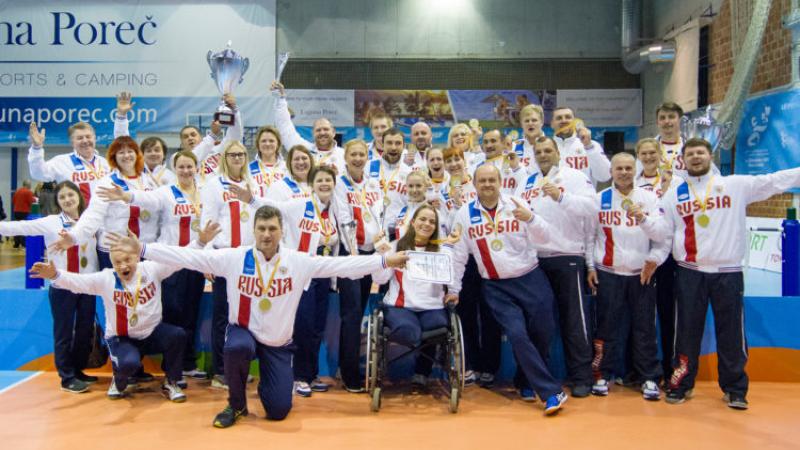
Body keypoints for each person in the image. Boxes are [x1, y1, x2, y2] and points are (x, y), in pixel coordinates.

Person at [107, 205, 409, 427]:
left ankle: (271, 386)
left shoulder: (298, 261)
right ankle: (236, 404)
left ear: (281, 231)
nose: (266, 234)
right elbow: (188, 257)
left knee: (277, 411)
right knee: (237, 347)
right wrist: (144, 248)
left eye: (272, 229)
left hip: (278, 342)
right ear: (254, 231)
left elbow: (342, 267)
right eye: (261, 229)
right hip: (244, 332)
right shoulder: (234, 257)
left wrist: (384, 259)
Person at [661, 137, 800, 409]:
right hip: (690, 271)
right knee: (686, 331)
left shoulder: (736, 185)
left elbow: (774, 180)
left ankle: (735, 389)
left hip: (728, 272)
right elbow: (665, 231)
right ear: (683, 160)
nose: (696, 158)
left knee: (732, 333)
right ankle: (681, 384)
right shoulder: (674, 193)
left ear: (710, 156)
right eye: (690, 154)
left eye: (700, 152)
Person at [29, 223, 216, 402]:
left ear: (136, 257)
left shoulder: (152, 269)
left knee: (177, 335)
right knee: (129, 363)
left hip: (151, 333)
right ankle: (118, 382)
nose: (124, 266)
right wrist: (55, 275)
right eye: (118, 262)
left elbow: (178, 259)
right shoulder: (106, 279)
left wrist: (199, 242)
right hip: (122, 338)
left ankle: (171, 382)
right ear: (112, 263)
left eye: (128, 260)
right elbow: (78, 282)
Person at [448, 164, 567, 415]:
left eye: (492, 180)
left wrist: (532, 219)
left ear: (500, 181)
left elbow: (546, 237)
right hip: (495, 286)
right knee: (517, 334)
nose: (488, 184)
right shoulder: (464, 214)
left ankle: (525, 380)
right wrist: (454, 288)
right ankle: (550, 392)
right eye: (482, 181)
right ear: (475, 184)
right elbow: (459, 257)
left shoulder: (516, 203)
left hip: (530, 277)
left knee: (543, 331)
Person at [97, 150, 210, 384]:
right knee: (171, 313)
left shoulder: (205, 193)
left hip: (195, 259)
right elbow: (146, 199)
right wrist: (125, 196)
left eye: (190, 166)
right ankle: (167, 368)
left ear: (196, 168)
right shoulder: (166, 192)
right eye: (181, 167)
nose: (186, 171)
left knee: (191, 315)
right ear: (174, 169)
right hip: (169, 260)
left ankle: (186, 364)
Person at [232, 166, 340, 396]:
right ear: (312, 184)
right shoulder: (300, 205)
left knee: (317, 328)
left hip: (324, 273)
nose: (324, 184)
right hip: (302, 273)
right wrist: (251, 199)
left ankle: (311, 374)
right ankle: (299, 377)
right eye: (320, 180)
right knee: (303, 325)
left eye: (328, 181)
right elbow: (275, 209)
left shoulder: (335, 209)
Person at [516, 135, 596, 398]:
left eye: (548, 150)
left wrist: (562, 197)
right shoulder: (527, 180)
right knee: (539, 322)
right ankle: (537, 378)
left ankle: (582, 377)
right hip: (535, 259)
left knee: (574, 320)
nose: (543, 154)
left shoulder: (574, 176)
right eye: (539, 151)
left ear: (558, 153)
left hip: (567, 255)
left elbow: (592, 208)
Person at [586, 153, 670, 400]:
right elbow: (590, 237)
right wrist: (590, 267)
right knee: (606, 327)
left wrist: (652, 261)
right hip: (608, 273)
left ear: (636, 169)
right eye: (619, 168)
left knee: (644, 328)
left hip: (640, 275)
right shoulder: (598, 200)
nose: (623, 172)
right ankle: (601, 375)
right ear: (610, 171)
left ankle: (649, 378)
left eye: (628, 168)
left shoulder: (650, 198)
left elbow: (662, 235)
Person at [1, 181, 98, 393]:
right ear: (58, 202)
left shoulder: (90, 222)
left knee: (84, 331)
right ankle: (67, 377)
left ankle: (79, 369)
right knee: (63, 332)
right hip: (62, 284)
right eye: (62, 197)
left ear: (79, 197)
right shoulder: (51, 222)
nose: (67, 200)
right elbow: (18, 227)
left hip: (87, 286)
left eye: (70, 195)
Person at [372, 204, 459, 388]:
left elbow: (452, 276)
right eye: (422, 219)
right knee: (409, 331)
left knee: (438, 327)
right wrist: (381, 254)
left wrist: (453, 292)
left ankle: (422, 372)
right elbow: (379, 278)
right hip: (400, 306)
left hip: (432, 306)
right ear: (412, 222)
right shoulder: (395, 246)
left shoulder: (442, 251)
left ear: (436, 227)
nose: (427, 224)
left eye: (432, 221)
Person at [200, 140, 258, 389]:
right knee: (222, 316)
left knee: (245, 315)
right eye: (233, 154)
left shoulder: (252, 182)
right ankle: (221, 372)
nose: (237, 158)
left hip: (248, 260)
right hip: (223, 258)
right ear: (224, 158)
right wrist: (206, 258)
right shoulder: (214, 185)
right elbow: (207, 222)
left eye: (241, 154)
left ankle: (240, 368)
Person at [440, 146, 500, 387]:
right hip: (460, 259)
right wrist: (453, 205)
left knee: (490, 313)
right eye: (449, 160)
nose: (454, 164)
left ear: (465, 161)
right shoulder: (442, 191)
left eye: (457, 159)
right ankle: (471, 364)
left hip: (485, 255)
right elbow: (448, 227)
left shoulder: (477, 185)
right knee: (465, 314)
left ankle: (490, 366)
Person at [50, 136, 158, 269]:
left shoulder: (150, 181)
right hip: (115, 250)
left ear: (137, 154)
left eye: (130, 151)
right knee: (117, 289)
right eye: (121, 152)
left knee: (146, 289)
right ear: (114, 157)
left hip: (145, 248)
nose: (126, 155)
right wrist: (74, 236)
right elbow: (93, 215)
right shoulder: (107, 182)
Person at [333, 139, 385, 392]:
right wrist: (355, 256)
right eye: (353, 154)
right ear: (345, 158)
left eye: (361, 154)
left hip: (370, 254)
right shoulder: (340, 185)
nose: (357, 158)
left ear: (367, 157)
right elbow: (344, 220)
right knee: (352, 314)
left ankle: (351, 367)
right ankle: (349, 372)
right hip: (350, 256)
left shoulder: (374, 183)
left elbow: (379, 216)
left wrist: (379, 246)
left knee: (361, 311)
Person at [635, 137, 682, 385]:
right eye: (644, 153)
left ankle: (669, 368)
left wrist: (666, 194)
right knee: (643, 317)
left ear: (660, 154)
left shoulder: (676, 182)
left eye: (653, 153)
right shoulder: (633, 183)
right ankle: (641, 370)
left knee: (667, 314)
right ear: (638, 156)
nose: (649, 157)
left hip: (670, 257)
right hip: (643, 255)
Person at [271, 81, 345, 173]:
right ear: (313, 133)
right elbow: (285, 128)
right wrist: (281, 99)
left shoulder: (344, 155)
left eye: (326, 129)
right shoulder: (304, 150)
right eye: (318, 130)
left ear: (334, 132)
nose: (322, 133)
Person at [28, 121, 110, 203]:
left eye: (88, 137)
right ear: (72, 143)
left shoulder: (105, 163)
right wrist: (36, 148)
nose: (85, 141)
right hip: (75, 215)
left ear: (95, 138)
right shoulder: (61, 162)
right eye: (80, 138)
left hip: (104, 215)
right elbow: (38, 174)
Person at [113, 92, 176, 187]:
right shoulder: (133, 171)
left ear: (164, 155)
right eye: (148, 151)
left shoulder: (172, 177)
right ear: (141, 155)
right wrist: (121, 115)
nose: (153, 153)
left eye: (157, 150)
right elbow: (122, 141)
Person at [550, 106, 611, 187]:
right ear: (552, 124)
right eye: (559, 118)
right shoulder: (544, 148)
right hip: (553, 198)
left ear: (574, 121)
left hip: (584, 197)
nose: (564, 120)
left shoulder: (591, 145)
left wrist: (588, 146)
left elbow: (605, 176)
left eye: (568, 117)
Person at [249, 126, 287, 198]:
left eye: (271, 141)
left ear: (278, 144)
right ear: (258, 144)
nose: (267, 144)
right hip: (257, 208)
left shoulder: (287, 167)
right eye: (263, 141)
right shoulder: (248, 169)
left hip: (282, 208)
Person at [511, 104, 546, 171]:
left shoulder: (552, 146)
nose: (530, 123)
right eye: (527, 121)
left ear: (542, 122)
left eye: (534, 120)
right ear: (521, 124)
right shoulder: (513, 147)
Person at [12, 180, 37, 248]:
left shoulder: (17, 191)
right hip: (24, 212)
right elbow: (31, 201)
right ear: (28, 185)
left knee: (17, 227)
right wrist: (35, 199)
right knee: (24, 227)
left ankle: (16, 243)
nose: (31, 186)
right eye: (30, 184)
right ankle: (23, 243)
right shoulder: (28, 192)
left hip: (16, 211)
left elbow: (13, 201)